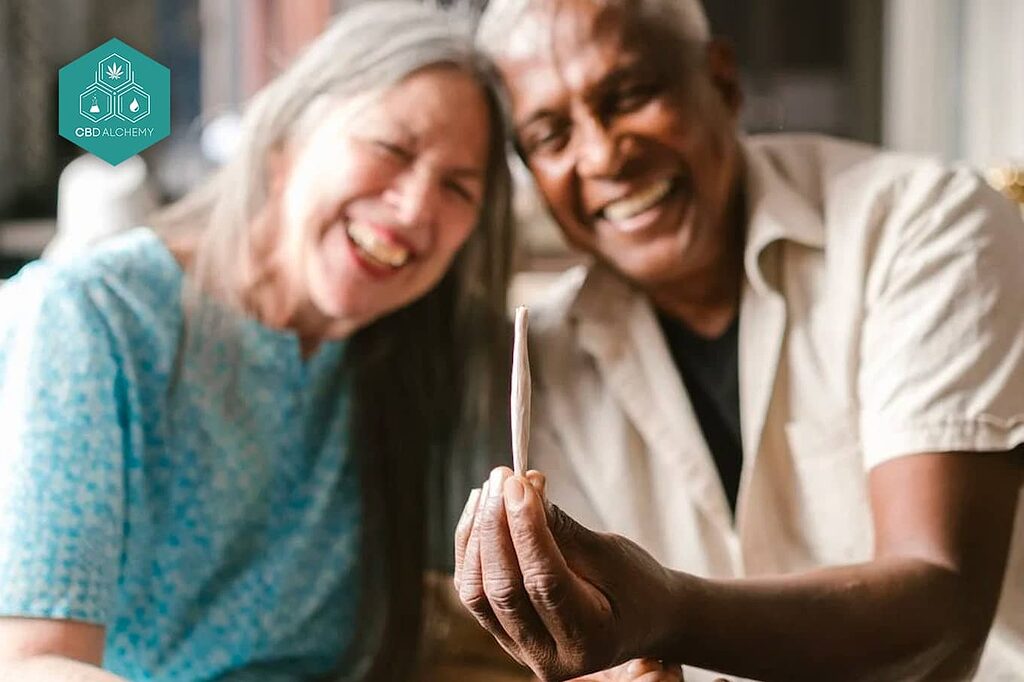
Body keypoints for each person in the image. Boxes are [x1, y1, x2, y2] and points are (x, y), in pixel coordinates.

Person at [455, 0, 1024, 680]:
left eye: (631, 96)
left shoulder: (923, 225)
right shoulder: (549, 357)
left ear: (721, 81)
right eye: (551, 137)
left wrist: (668, 612)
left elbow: (944, 613)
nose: (604, 154)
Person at [0, 3, 516, 680]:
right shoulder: (94, 318)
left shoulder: (410, 361)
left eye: (457, 187)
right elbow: (36, 665)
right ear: (284, 146)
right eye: (391, 149)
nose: (416, 208)